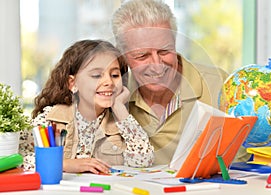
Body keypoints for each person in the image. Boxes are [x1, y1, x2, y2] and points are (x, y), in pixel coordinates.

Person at [111, 0, 250, 165]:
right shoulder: (111, 94)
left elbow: (257, 157)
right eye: (142, 56)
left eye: (164, 51)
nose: (156, 65)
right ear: (123, 57)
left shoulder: (219, 85)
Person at [19, 39, 154, 174]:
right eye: (96, 75)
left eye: (114, 75)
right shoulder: (51, 118)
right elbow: (17, 157)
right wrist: (63, 164)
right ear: (73, 83)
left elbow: (143, 160)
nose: (109, 82)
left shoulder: (121, 124)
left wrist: (120, 108)